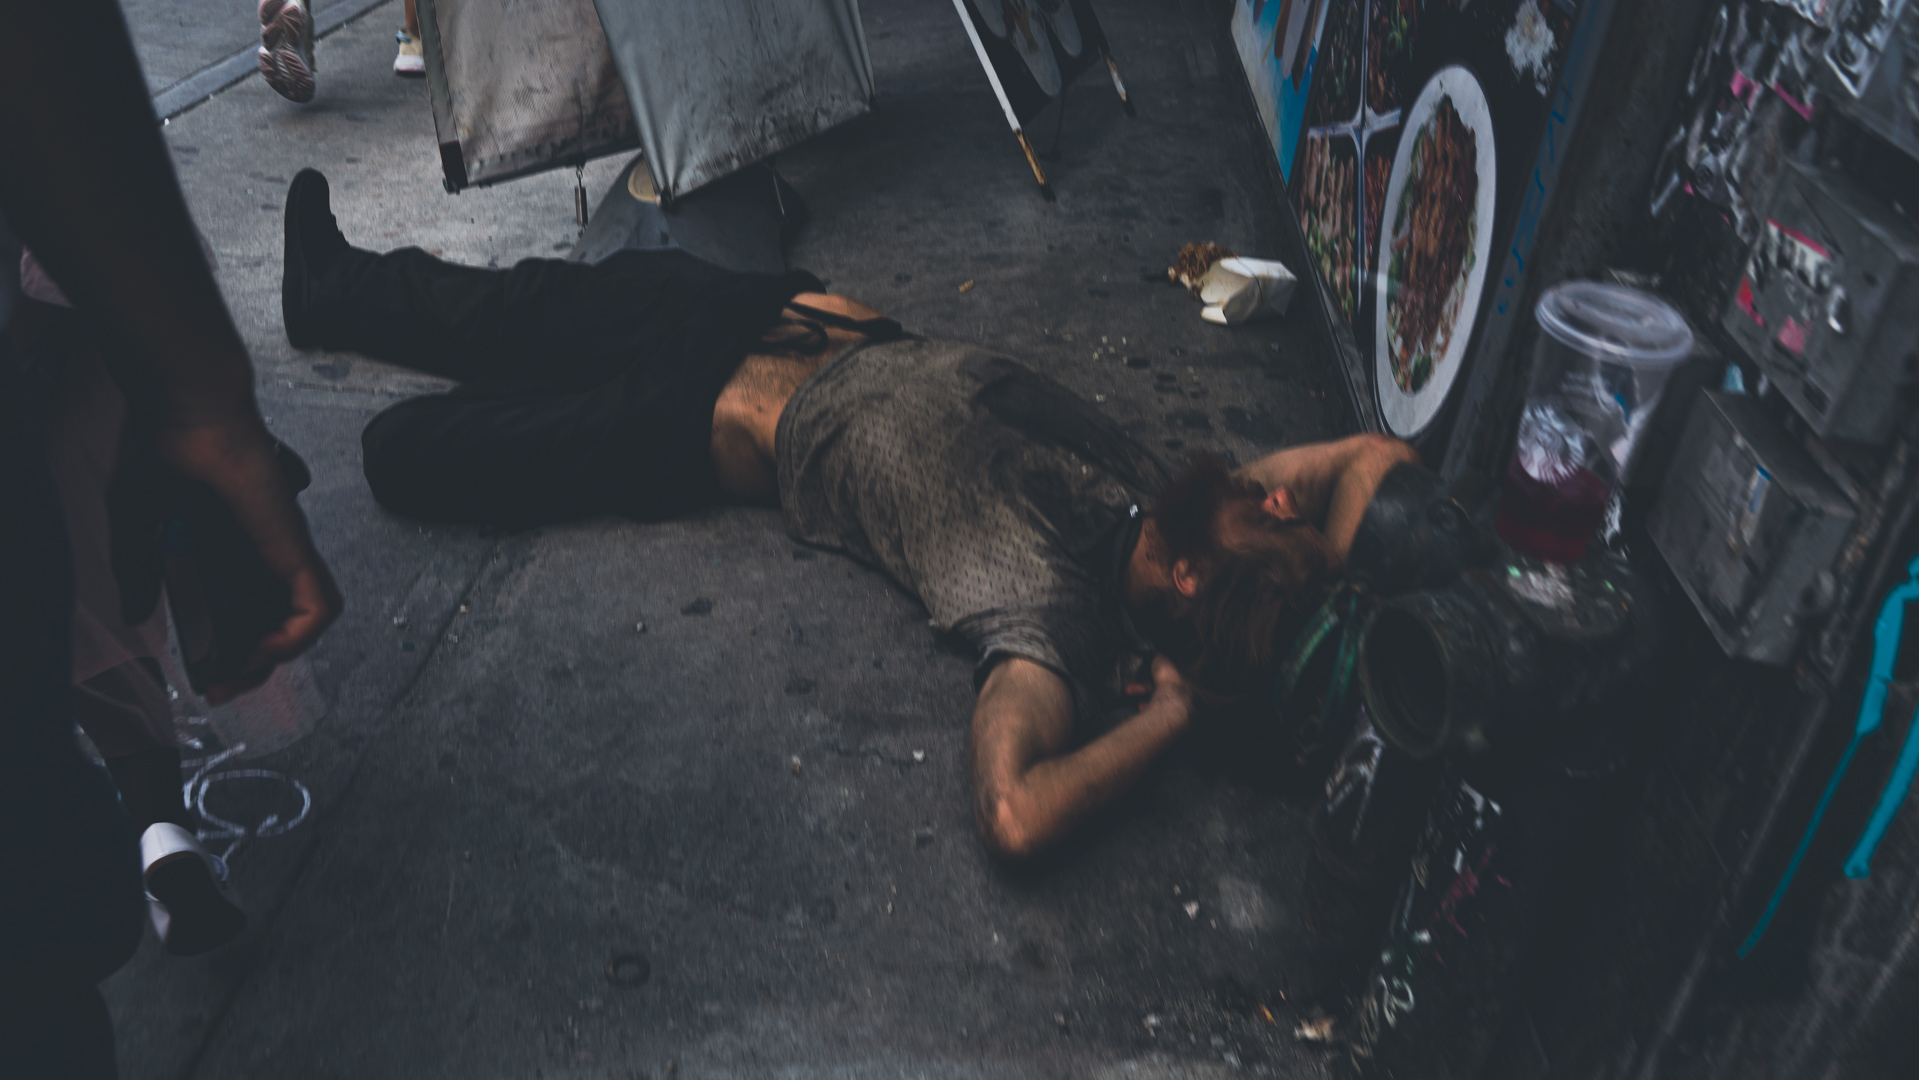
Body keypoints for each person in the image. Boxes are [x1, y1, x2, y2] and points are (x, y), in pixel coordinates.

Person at [280, 167, 1414, 860]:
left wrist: (1176, 716)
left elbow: (1014, 812)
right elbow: (1368, 456)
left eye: (1273, 517)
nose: (1276, 491)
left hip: (702, 416)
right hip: (781, 317)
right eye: (1280, 505)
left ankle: (426, 403)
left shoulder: (1049, 621)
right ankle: (331, 291)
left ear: (1186, 583)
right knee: (522, 303)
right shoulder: (1166, 501)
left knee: (411, 451)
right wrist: (1357, 606)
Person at [2, 3, 343, 1074]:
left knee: (84, 647)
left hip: (57, 351)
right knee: (105, 621)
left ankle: (155, 844)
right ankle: (161, 839)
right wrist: (203, 398)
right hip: (70, 347)